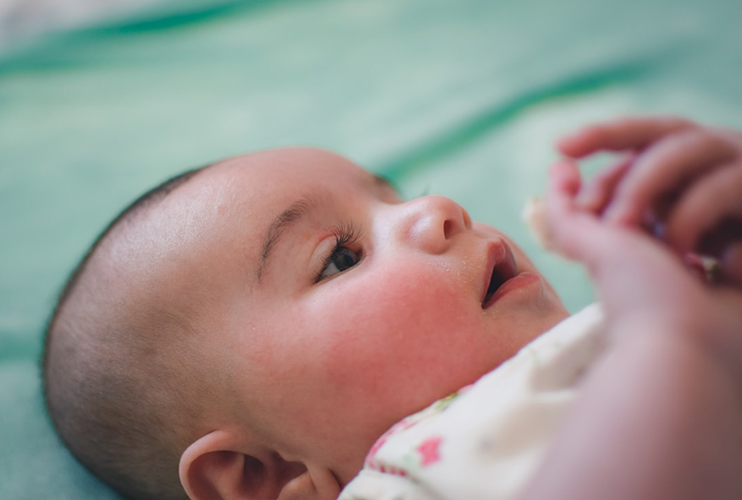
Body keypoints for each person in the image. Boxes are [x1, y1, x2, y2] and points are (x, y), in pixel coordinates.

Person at [41, 116, 742, 500]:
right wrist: (671, 338)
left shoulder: (637, 325)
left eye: (396, 194)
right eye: (341, 256)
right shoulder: (403, 480)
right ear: (261, 476)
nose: (439, 210)